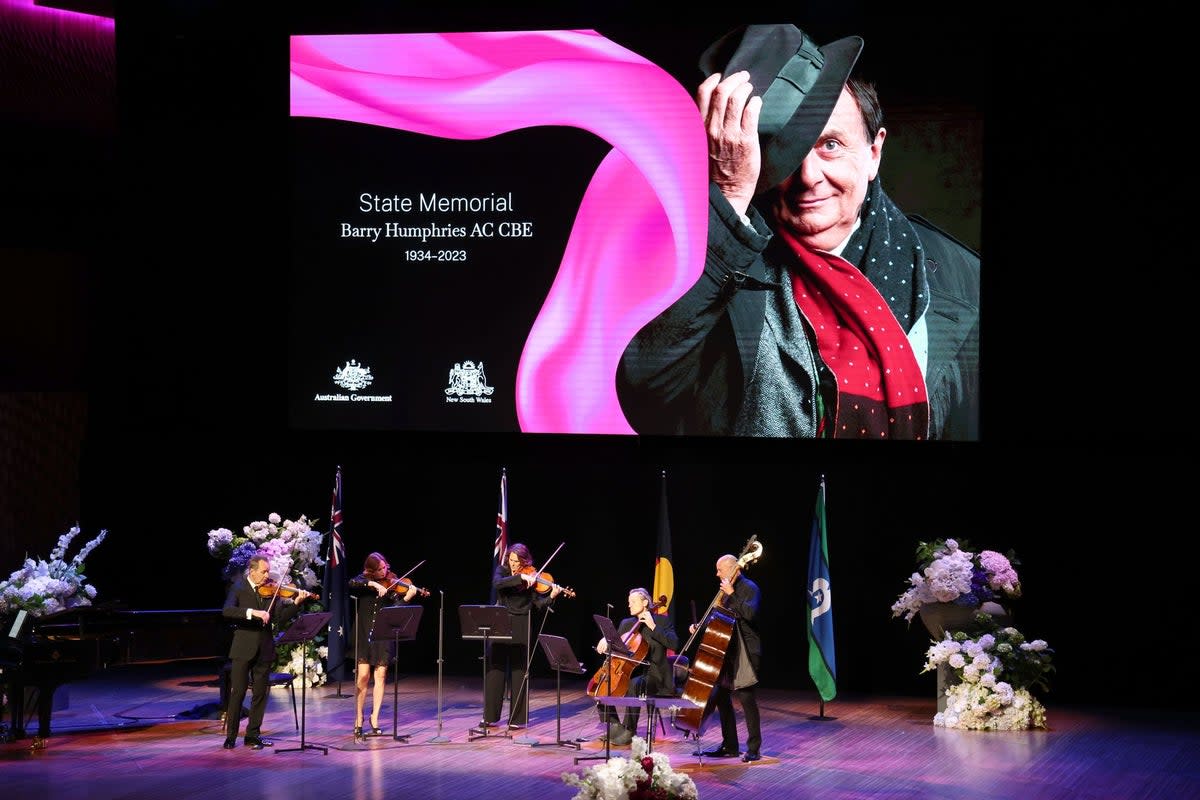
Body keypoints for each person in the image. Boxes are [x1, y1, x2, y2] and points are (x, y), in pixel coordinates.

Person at [617, 23, 979, 441]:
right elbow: (647, 395)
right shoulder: (706, 265)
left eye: (830, 145)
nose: (809, 177)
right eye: (783, 151)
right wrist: (729, 197)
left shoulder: (961, 277)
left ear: (873, 152)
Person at [221, 553, 314, 750]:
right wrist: (252, 613)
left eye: (268, 572)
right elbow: (227, 611)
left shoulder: (271, 591)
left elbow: (279, 617)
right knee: (237, 692)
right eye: (263, 572)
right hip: (242, 648)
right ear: (252, 571)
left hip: (264, 647)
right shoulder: (238, 588)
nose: (266, 576)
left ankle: (253, 735)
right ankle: (231, 736)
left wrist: (296, 604)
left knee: (260, 694)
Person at [688, 554, 762, 762]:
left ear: (732, 568)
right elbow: (718, 617)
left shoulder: (750, 587)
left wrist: (732, 594)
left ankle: (754, 748)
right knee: (721, 696)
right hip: (727, 650)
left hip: (745, 651)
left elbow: (750, 614)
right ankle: (730, 746)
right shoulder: (725, 591)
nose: (717, 573)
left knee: (747, 699)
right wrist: (699, 627)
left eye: (720, 569)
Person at [482, 543, 561, 730]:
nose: (514, 564)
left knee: (519, 672)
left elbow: (538, 604)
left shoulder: (532, 576)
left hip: (522, 623)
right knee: (495, 670)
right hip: (500, 622)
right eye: (511, 560)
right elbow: (497, 584)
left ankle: (517, 720)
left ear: (525, 561)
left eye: (517, 561)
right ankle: (490, 717)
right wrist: (520, 577)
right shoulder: (502, 571)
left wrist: (553, 596)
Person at [592, 587, 679, 746]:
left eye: (633, 602)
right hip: (631, 671)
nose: (629, 605)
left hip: (655, 675)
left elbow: (674, 643)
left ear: (645, 602)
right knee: (602, 683)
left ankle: (629, 730)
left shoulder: (661, 621)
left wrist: (653, 627)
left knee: (634, 684)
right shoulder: (627, 624)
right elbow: (617, 646)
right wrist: (606, 641)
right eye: (628, 602)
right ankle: (615, 726)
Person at [347, 552, 420, 741]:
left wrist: (406, 598)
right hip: (364, 634)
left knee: (381, 675)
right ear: (371, 570)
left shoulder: (393, 584)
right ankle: (358, 718)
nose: (384, 572)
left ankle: (375, 719)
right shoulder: (364, 582)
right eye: (379, 569)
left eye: (385, 567)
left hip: (383, 635)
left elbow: (395, 610)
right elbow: (352, 583)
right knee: (363, 676)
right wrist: (373, 583)